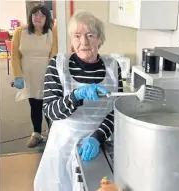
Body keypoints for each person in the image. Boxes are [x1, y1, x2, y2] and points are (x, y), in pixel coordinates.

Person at [34, 11, 123, 191]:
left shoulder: (113, 67)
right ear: (71, 39)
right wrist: (77, 95)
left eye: (90, 35)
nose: (84, 42)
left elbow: (117, 111)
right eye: (77, 36)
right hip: (63, 146)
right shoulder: (58, 65)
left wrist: (98, 137)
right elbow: (50, 111)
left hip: (98, 147)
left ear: (100, 39)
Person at [11, 5, 58, 148]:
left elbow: (54, 55)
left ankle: (53, 134)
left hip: (46, 74)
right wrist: (17, 76)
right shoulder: (20, 32)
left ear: (46, 19)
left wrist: (53, 77)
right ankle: (37, 133)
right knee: (35, 105)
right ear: (30, 17)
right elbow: (15, 56)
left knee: (49, 105)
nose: (38, 17)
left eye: (42, 15)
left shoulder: (52, 33)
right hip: (28, 75)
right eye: (35, 14)